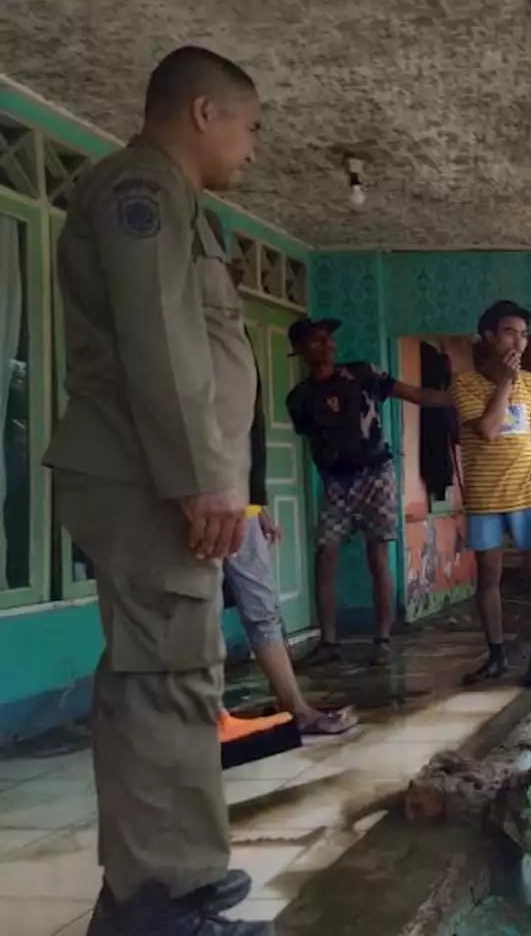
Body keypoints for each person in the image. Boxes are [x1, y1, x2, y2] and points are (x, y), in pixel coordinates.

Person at [42, 47, 269, 934]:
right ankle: (155, 902)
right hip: (146, 474)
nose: (252, 148)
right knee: (165, 672)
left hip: (154, 475)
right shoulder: (144, 190)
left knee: (174, 670)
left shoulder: (177, 201)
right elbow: (161, 338)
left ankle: (173, 880)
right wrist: (203, 477)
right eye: (249, 127)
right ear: (204, 111)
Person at [285, 317, 451, 667]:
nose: (328, 345)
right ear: (300, 351)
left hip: (377, 473)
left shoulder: (363, 374)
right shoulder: (299, 398)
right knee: (325, 554)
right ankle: (329, 642)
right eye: (317, 341)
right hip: (336, 483)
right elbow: (316, 440)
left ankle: (383, 638)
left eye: (328, 339)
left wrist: (457, 400)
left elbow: (414, 394)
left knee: (377, 556)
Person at [219, 362, 354, 737]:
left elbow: (248, 433)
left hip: (238, 500)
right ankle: (210, 717)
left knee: (262, 608)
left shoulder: (234, 340)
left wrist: (256, 501)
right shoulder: (191, 335)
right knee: (200, 614)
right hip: (204, 502)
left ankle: (297, 708)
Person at [452, 300, 531, 688]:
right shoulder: (465, 383)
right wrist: (506, 382)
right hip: (485, 493)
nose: (519, 341)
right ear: (490, 336)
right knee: (490, 575)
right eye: (510, 332)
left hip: (528, 487)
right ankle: (496, 656)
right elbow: (489, 429)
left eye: (524, 334)